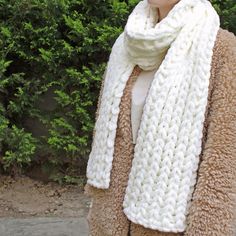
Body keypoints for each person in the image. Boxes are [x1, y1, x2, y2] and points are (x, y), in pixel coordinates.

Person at [84, 0, 236, 235]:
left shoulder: (222, 49)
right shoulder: (127, 44)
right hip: (111, 218)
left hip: (172, 223)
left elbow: (223, 156)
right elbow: (109, 138)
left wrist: (208, 228)